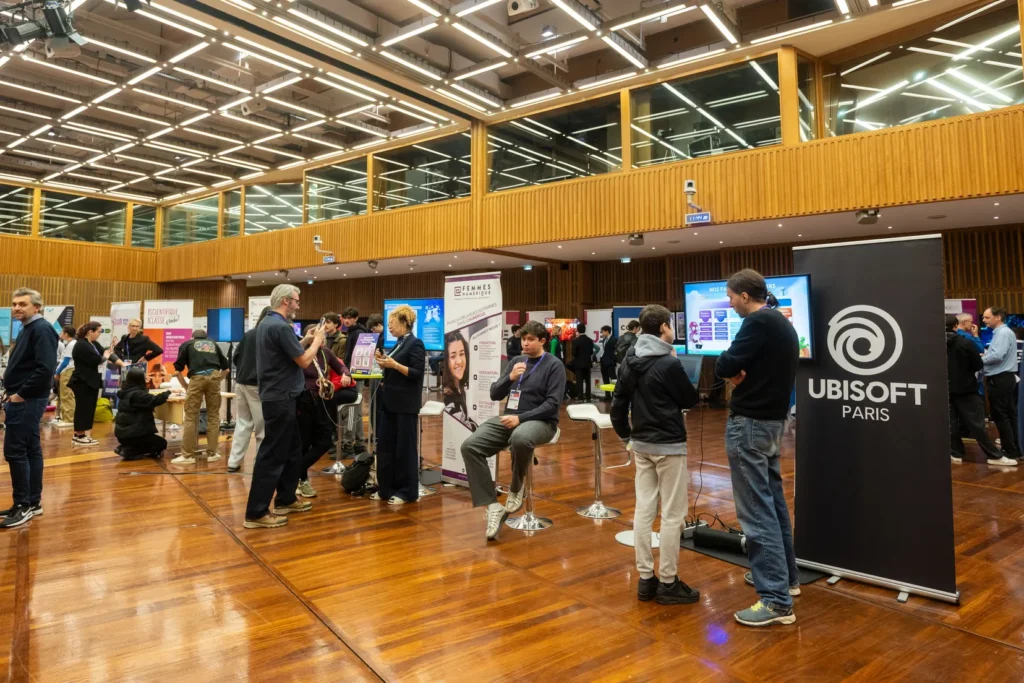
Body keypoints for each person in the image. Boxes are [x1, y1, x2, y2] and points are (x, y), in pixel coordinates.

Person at [715, 269, 799, 628]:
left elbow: (724, 364)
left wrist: (731, 372)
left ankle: (776, 600)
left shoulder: (757, 323)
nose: (730, 303)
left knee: (755, 511)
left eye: (731, 297)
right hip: (771, 423)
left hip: (749, 424)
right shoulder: (780, 323)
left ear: (746, 296)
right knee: (773, 503)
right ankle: (786, 579)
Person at [612, 304, 700, 605]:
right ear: (663, 327)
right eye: (671, 325)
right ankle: (668, 581)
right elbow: (690, 399)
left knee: (643, 510)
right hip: (669, 445)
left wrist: (627, 435)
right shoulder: (668, 363)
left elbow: (618, 404)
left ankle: (645, 580)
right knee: (673, 515)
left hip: (642, 445)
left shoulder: (629, 360)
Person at [460, 320, 566, 541]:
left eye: (530, 340)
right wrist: (510, 378)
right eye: (523, 339)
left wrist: (520, 418)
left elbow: (552, 404)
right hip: (510, 418)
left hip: (542, 422)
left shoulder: (554, 365)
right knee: (470, 446)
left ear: (543, 341)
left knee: (520, 437)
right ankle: (492, 505)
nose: (525, 343)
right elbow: (494, 394)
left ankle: (516, 487)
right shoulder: (517, 361)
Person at [244, 285, 325, 529]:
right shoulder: (279, 326)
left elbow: (287, 352)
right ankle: (256, 512)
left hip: (281, 396)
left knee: (292, 449)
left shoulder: (268, 325)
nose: (299, 306)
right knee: (272, 454)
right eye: (297, 301)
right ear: (286, 301)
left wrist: (304, 340)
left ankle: (286, 498)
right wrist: (317, 342)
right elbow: (302, 360)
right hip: (280, 398)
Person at [0, 288, 58, 528]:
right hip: (24, 399)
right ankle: (31, 503)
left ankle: (23, 505)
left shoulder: (41, 329)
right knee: (31, 449)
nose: (16, 308)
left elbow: (45, 369)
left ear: (37, 307)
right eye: (14, 304)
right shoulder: (28, 328)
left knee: (15, 451)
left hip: (27, 401)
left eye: (22, 304)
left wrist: (20, 395)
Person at [372, 305, 426, 505]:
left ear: (404, 323)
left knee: (404, 449)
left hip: (405, 405)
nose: (389, 327)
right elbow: (393, 367)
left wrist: (394, 365)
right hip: (390, 403)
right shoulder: (397, 344)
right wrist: (383, 362)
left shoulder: (415, 344)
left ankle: (407, 491)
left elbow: (417, 373)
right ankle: (386, 488)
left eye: (392, 323)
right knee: (386, 447)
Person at [295, 326, 355, 498]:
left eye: (324, 337)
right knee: (304, 443)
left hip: (322, 401)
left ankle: (296, 470)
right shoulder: (301, 352)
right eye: (319, 336)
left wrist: (345, 374)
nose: (323, 339)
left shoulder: (325, 352)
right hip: (305, 401)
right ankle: (302, 480)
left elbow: (341, 367)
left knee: (325, 440)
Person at [946, 314, 1011, 466]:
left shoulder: (934, 344)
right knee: (976, 425)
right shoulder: (965, 342)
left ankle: (956, 453)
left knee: (951, 424)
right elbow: (977, 364)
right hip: (966, 388)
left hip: (946, 388)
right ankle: (994, 456)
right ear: (956, 325)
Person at [170, 329, 230, 465]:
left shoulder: (187, 344)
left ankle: (188, 456)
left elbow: (177, 371)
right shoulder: (213, 345)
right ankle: (212, 453)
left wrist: (186, 386)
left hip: (196, 378)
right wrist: (216, 381)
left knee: (191, 416)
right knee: (213, 416)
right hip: (214, 377)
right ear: (206, 338)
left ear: (193, 337)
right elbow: (226, 369)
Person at [228, 307, 268, 473]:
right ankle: (260, 463)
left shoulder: (249, 334)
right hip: (256, 385)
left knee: (242, 424)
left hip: (241, 382)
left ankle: (233, 461)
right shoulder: (268, 336)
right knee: (262, 427)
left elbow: (236, 357)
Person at [70, 321, 121, 447]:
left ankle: (82, 435)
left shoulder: (92, 343)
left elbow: (106, 352)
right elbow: (97, 360)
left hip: (91, 381)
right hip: (82, 381)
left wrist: (122, 364)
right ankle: (79, 435)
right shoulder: (81, 345)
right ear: (90, 332)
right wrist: (105, 356)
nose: (99, 334)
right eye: (98, 331)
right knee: (83, 409)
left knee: (89, 408)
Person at [982, 306, 1020, 460]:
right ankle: (1014, 449)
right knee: (1009, 415)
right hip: (1005, 378)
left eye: (987, 317)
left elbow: (997, 356)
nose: (983, 320)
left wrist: (977, 360)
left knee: (1000, 415)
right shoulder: (1004, 332)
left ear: (998, 317)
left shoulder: (1003, 333)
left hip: (1000, 379)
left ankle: (1010, 451)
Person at [114, 367, 170, 460]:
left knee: (152, 441)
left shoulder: (125, 392)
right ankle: (130, 450)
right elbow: (155, 400)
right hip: (134, 434)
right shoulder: (137, 394)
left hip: (123, 434)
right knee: (162, 443)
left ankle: (125, 447)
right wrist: (168, 392)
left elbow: (145, 398)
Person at [341, 307, 368, 457]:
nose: (347, 320)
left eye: (350, 317)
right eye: (345, 317)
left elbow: (356, 357)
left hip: (354, 375)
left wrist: (349, 373)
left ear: (356, 318)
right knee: (355, 409)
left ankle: (349, 443)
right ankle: (359, 443)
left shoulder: (358, 333)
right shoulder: (353, 332)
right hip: (352, 375)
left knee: (352, 409)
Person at [442, 330, 477, 431]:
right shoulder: (449, 398)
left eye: (462, 354)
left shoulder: (460, 387)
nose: (459, 361)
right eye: (453, 356)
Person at [53, 325, 77, 428]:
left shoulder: (71, 344)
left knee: (67, 395)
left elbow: (65, 362)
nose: (60, 334)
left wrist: (57, 372)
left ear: (66, 334)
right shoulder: (70, 343)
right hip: (66, 371)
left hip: (67, 371)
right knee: (64, 395)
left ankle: (69, 419)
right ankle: (65, 417)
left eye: (62, 332)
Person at [571, 323, 595, 402]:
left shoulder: (575, 341)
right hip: (587, 363)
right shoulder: (590, 340)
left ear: (577, 330)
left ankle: (580, 396)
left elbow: (574, 353)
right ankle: (588, 397)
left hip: (579, 363)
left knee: (579, 380)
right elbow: (591, 352)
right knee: (588, 380)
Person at [599, 325, 618, 400]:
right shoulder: (604, 340)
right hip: (603, 362)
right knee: (605, 378)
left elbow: (616, 351)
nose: (602, 333)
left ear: (607, 331)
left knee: (613, 379)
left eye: (603, 331)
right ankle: (607, 395)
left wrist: (613, 359)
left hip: (610, 362)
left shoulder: (614, 340)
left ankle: (614, 395)